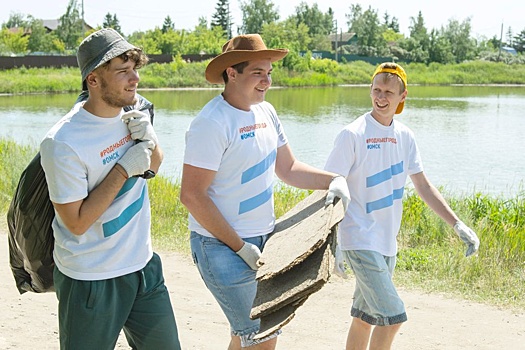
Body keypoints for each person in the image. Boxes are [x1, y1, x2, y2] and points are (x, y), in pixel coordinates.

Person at [179, 34, 351, 350]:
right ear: (232, 72)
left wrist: (334, 180)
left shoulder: (267, 112)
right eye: (258, 72)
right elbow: (192, 195)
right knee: (261, 337)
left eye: (269, 72)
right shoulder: (211, 123)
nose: (267, 81)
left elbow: (288, 169)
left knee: (244, 336)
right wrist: (239, 246)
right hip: (220, 247)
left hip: (264, 243)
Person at [40, 28, 181, 349]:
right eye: (123, 71)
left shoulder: (133, 111)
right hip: (92, 277)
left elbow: (153, 166)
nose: (135, 79)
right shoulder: (63, 142)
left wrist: (149, 139)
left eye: (134, 69)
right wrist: (121, 170)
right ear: (93, 80)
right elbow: (76, 223)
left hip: (143, 265)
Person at [324, 62, 480, 350]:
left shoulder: (405, 136)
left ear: (402, 96)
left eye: (388, 92)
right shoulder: (353, 134)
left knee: (365, 318)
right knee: (392, 317)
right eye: (376, 90)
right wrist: (334, 242)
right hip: (359, 239)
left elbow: (423, 186)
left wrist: (457, 224)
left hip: (386, 242)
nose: (381, 98)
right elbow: (331, 189)